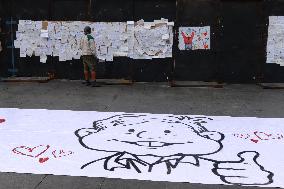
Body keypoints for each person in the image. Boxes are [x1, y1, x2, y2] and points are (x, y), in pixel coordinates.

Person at [75, 114, 273, 186]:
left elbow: (230, 172)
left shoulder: (210, 167)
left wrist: (246, 176)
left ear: (210, 137)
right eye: (133, 131)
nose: (148, 137)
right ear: (87, 133)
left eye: (169, 131)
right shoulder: (96, 165)